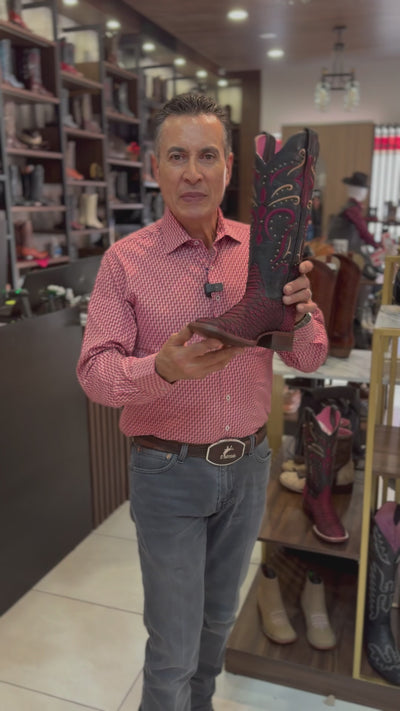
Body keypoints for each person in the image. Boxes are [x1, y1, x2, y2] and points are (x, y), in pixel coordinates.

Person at [77, 93, 328, 711]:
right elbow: (95, 374)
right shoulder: (125, 261)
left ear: (229, 167)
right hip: (167, 471)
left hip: (249, 466)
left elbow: (311, 357)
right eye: (177, 156)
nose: (193, 172)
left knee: (217, 623)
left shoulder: (266, 252)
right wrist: (161, 369)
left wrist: (299, 314)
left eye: (207, 156)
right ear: (155, 167)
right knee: (173, 646)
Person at [328, 171, 379, 254]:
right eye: (365, 190)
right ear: (360, 191)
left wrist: (368, 219)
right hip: (342, 250)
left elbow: (358, 221)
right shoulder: (352, 209)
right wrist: (377, 246)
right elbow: (363, 231)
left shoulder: (350, 207)